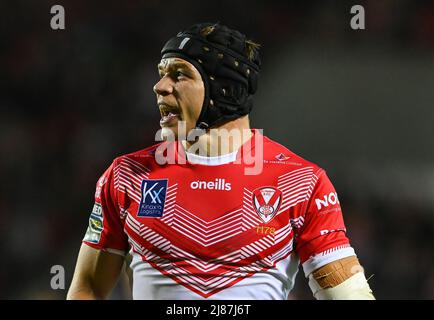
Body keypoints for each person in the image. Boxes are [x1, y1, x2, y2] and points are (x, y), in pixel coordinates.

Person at [67, 22, 375, 300]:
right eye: (161, 75)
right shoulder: (126, 175)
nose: (159, 87)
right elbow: (89, 288)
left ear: (223, 89)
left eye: (178, 75)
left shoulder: (301, 183)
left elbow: (349, 296)